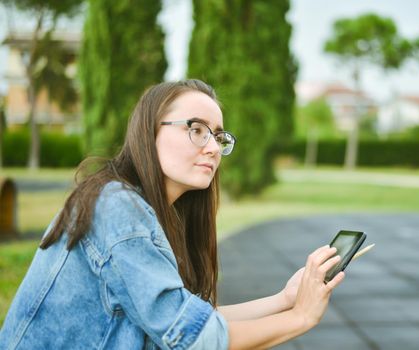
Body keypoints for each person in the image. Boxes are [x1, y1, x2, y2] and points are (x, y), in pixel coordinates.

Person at [0, 79, 345, 349]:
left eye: (219, 136)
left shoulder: (153, 212)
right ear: (150, 132)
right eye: (196, 129)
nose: (213, 147)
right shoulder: (116, 206)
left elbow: (188, 319)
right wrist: (300, 318)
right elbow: (190, 337)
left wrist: (285, 299)